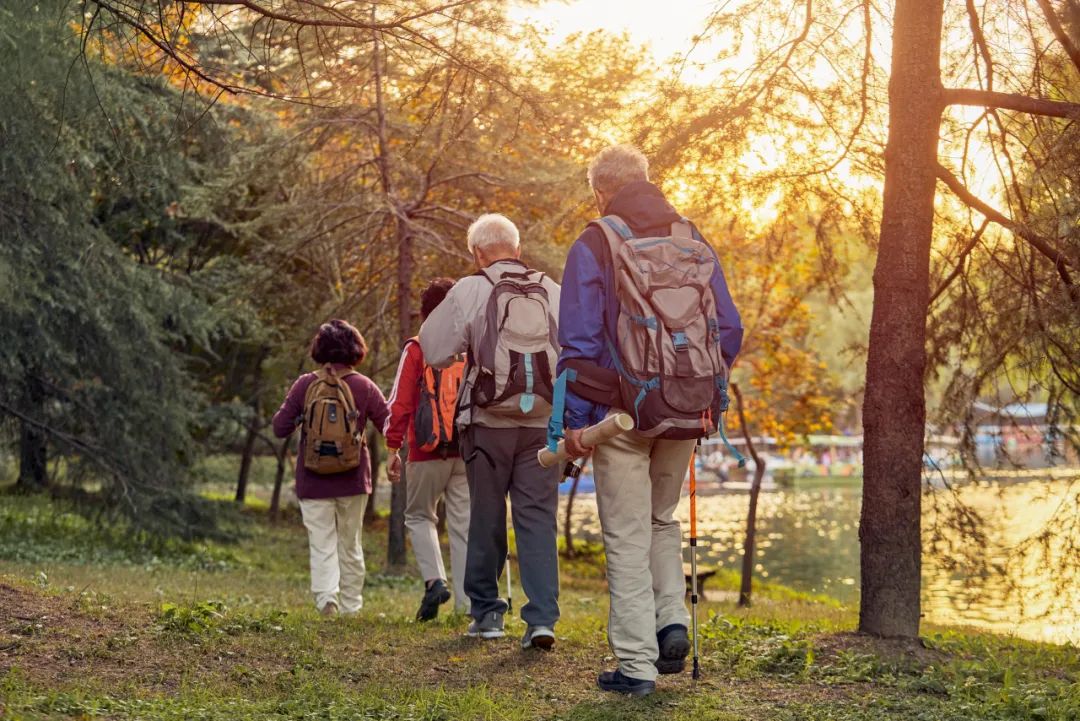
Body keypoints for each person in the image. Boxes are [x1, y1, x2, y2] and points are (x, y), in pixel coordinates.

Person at [557, 144, 743, 696]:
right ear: (647, 181)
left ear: (599, 191)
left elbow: (579, 342)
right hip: (687, 409)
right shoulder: (692, 238)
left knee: (626, 535)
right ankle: (672, 623)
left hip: (621, 414)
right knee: (663, 521)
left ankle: (636, 665)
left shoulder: (595, 242)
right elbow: (727, 329)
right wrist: (697, 390)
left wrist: (576, 425)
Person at [419, 213, 563, 650]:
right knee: (537, 518)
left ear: (477, 254)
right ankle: (540, 621)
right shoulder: (552, 289)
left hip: (487, 422)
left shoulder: (470, 288)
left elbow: (434, 348)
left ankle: (488, 615)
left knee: (486, 514)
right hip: (542, 422)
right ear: (517, 250)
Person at [272, 319, 389, 617]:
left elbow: (279, 427)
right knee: (350, 544)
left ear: (320, 349)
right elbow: (390, 423)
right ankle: (351, 606)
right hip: (353, 479)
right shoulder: (364, 386)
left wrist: (302, 418)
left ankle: (327, 599)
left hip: (313, 478)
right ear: (356, 349)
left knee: (322, 542)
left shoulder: (305, 384)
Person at [384, 278, 471, 621]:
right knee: (464, 525)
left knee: (420, 516)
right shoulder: (469, 348)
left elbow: (401, 403)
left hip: (425, 450)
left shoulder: (418, 348)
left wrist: (393, 447)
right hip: (465, 450)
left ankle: (435, 580)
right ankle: (467, 605)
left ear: (425, 313)